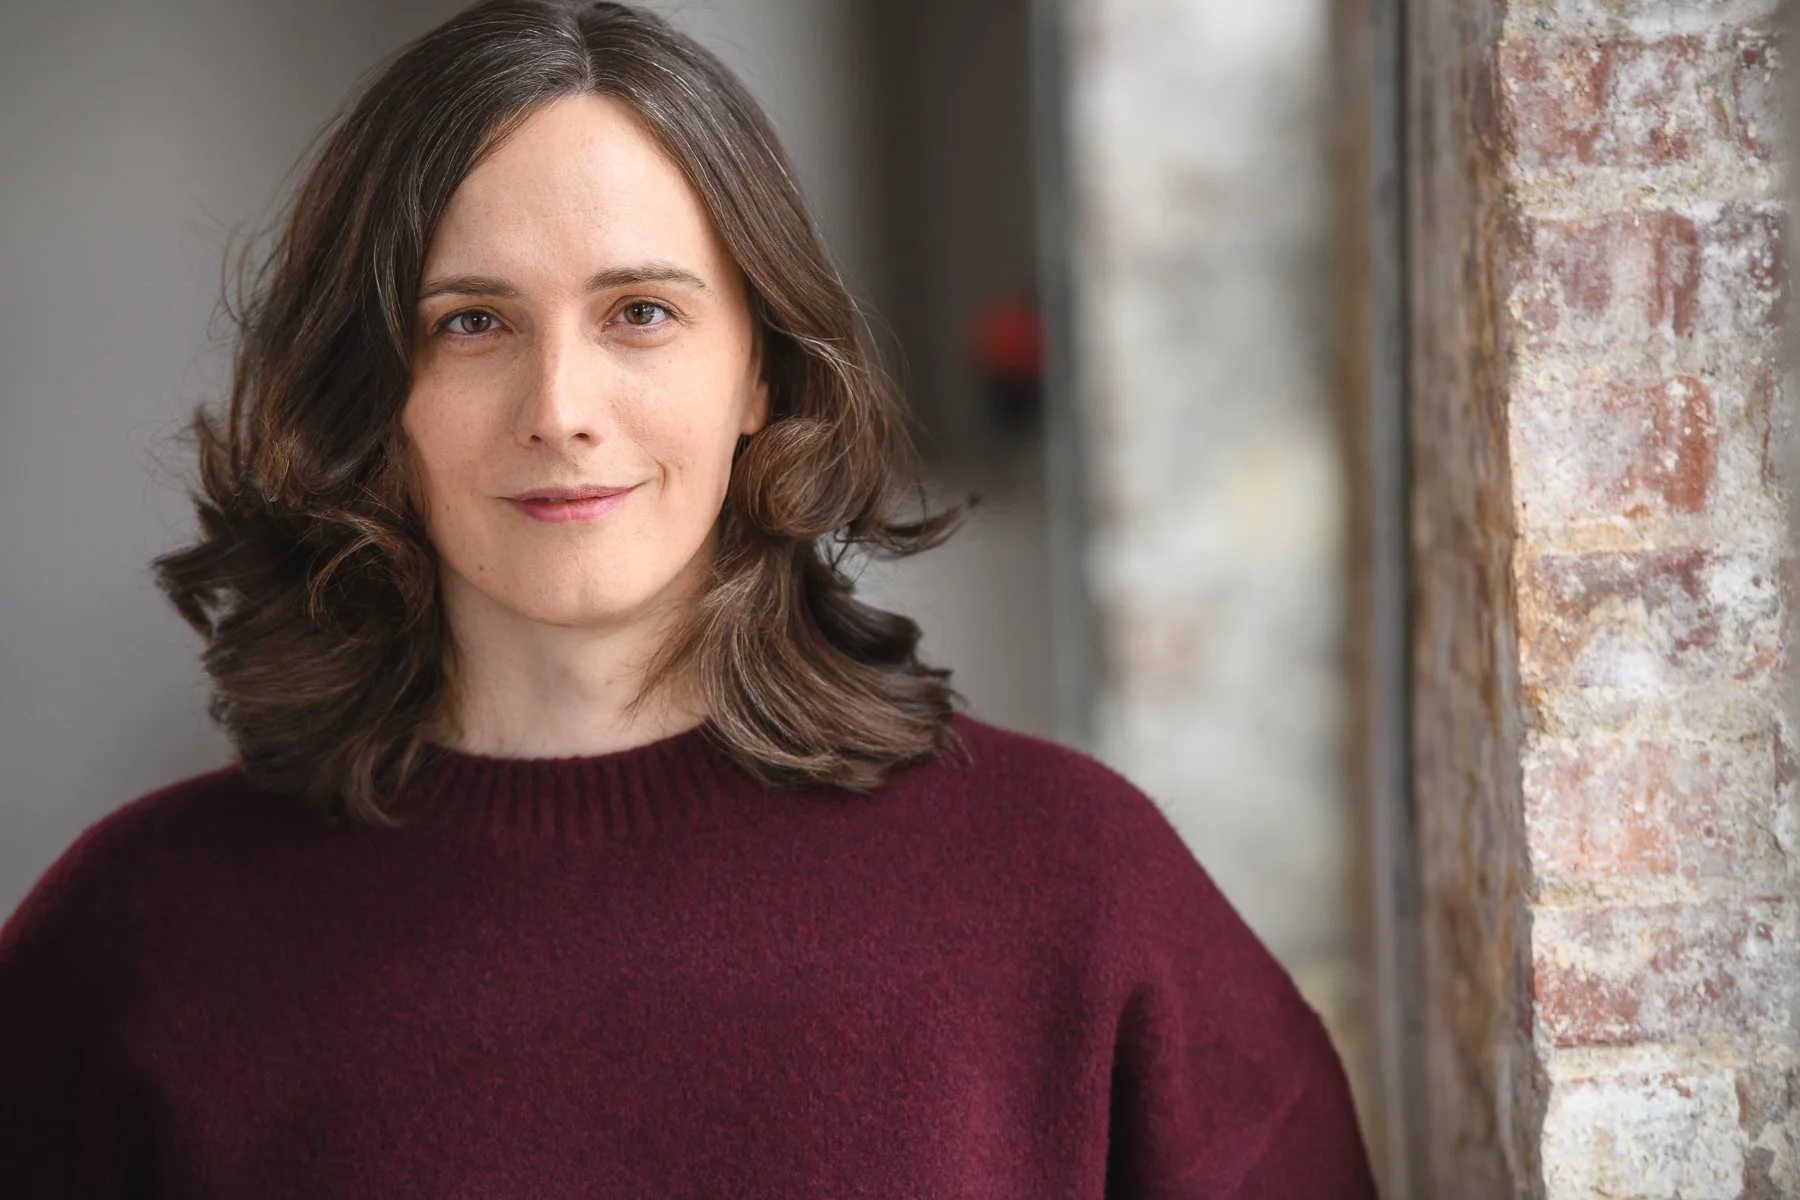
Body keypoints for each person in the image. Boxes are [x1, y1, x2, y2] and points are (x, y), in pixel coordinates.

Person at [0, 2, 1377, 1195]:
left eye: (641, 313)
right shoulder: (134, 948)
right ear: (373, 395)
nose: (560, 407)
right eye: (470, 322)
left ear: (762, 371)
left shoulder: (1075, 887)